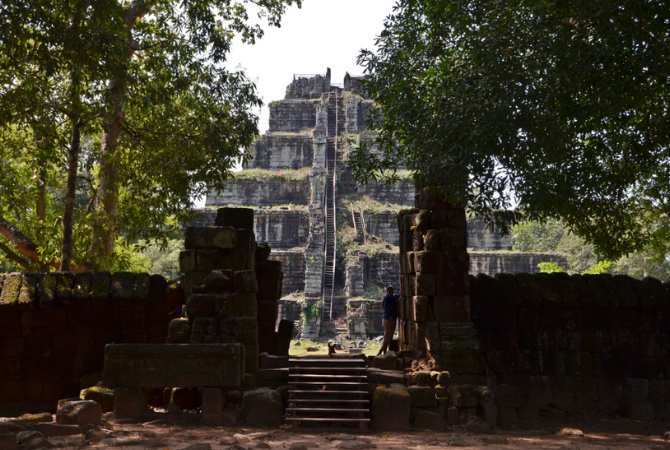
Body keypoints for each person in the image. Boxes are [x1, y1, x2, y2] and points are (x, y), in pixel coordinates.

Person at [378, 285, 400, 355]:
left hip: (388, 319)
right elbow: (395, 297)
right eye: (390, 291)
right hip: (388, 319)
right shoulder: (388, 298)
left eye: (392, 292)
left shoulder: (388, 298)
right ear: (387, 292)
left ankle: (383, 353)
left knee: (388, 338)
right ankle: (381, 353)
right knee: (387, 338)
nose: (391, 293)